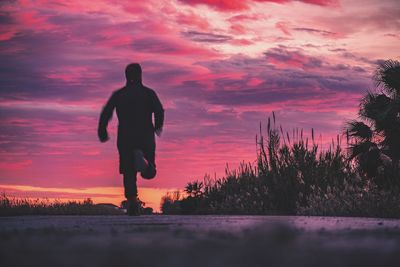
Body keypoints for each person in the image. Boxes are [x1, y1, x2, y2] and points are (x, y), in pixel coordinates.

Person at [98, 63, 164, 216]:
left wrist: (102, 131)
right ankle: (146, 164)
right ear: (140, 75)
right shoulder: (148, 93)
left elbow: (106, 112)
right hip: (145, 135)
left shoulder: (119, 94)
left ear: (126, 76)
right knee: (149, 172)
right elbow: (159, 110)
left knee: (128, 171)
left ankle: (133, 202)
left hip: (125, 137)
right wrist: (158, 126)